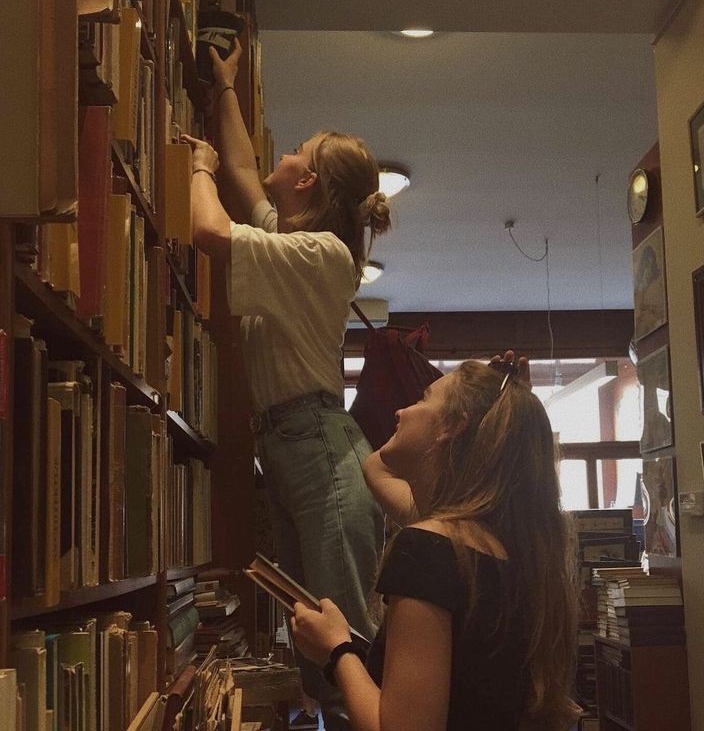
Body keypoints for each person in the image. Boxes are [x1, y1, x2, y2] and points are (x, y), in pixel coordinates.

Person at [182, 40, 391, 729]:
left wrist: (195, 166)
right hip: (300, 447)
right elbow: (243, 165)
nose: (285, 153)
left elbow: (208, 225)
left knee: (342, 646)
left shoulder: (318, 252)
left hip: (320, 454)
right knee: (318, 646)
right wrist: (226, 91)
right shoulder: (292, 243)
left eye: (297, 148)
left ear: (309, 183)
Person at [290, 360, 581, 731]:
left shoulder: (427, 547)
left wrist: (336, 651)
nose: (402, 410)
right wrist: (498, 408)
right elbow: (374, 467)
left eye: (423, 398)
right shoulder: (497, 543)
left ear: (453, 425)